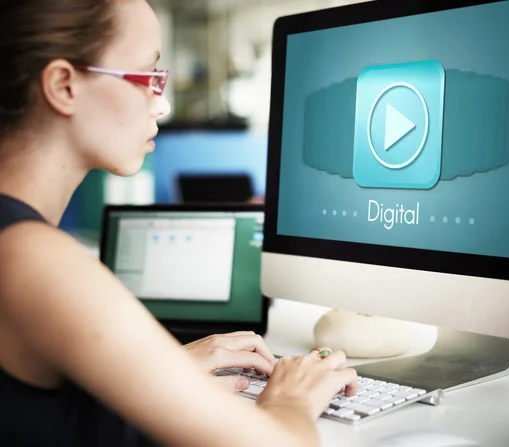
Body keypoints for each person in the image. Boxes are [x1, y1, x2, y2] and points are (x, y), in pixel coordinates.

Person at [0, 1, 358, 446]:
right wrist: (292, 398)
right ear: (64, 85)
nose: (163, 103)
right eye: (148, 77)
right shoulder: (35, 262)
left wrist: (159, 369)